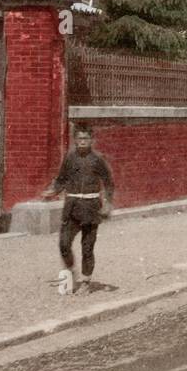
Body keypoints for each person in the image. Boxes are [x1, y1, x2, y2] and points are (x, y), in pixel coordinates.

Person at [42, 125, 114, 295]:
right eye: (79, 139)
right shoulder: (69, 159)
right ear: (75, 140)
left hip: (90, 208)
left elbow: (109, 182)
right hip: (72, 207)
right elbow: (61, 180)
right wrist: (53, 191)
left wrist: (108, 203)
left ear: (91, 140)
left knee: (87, 248)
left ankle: (86, 282)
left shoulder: (97, 159)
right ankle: (71, 271)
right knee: (64, 244)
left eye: (86, 139)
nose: (82, 142)